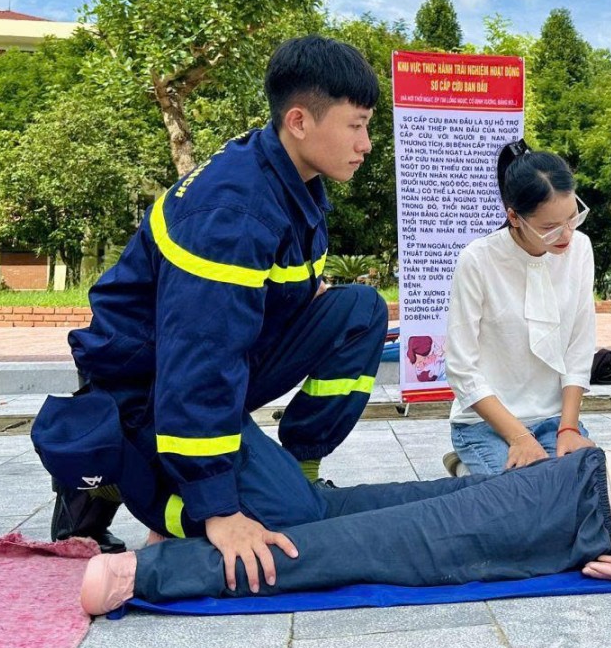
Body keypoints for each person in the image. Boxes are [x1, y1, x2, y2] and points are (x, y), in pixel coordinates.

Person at [34, 36, 389, 582]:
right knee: (288, 522)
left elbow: (244, 316)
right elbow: (200, 360)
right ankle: (127, 475)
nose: (366, 143)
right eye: (356, 125)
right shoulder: (233, 212)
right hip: (149, 384)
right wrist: (218, 508)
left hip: (211, 360)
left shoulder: (294, 179)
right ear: (299, 120)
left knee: (360, 310)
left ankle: (298, 468)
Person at [76, 427, 611, 614]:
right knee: (377, 504)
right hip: (584, 474)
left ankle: (149, 577)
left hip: (591, 511)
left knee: (388, 545)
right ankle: (198, 525)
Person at [441, 141, 597, 476]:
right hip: (487, 424)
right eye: (549, 227)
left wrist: (568, 428)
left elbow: (579, 348)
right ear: (513, 217)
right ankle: (470, 464)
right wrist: (519, 437)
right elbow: (461, 367)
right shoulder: (478, 260)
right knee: (524, 500)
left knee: (587, 490)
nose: (566, 234)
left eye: (573, 217)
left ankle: (476, 475)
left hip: (554, 419)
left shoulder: (580, 249)